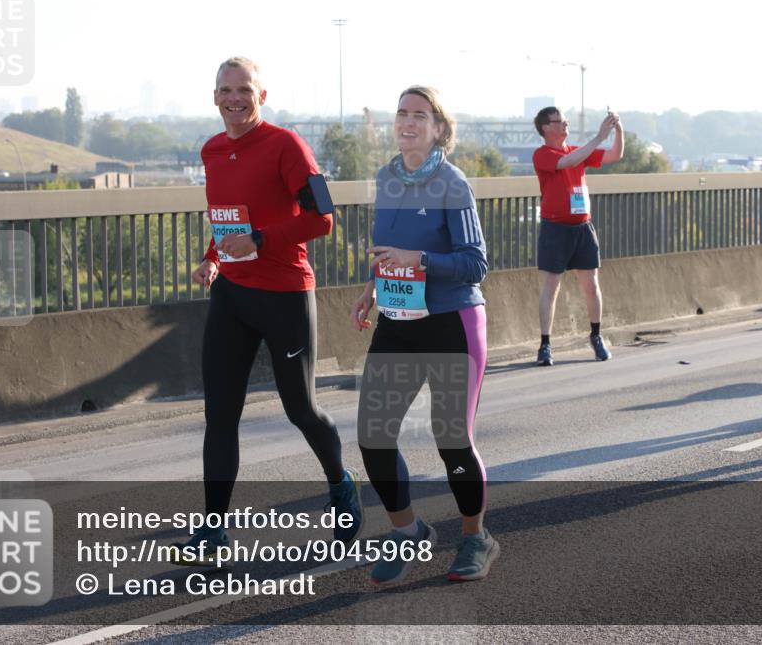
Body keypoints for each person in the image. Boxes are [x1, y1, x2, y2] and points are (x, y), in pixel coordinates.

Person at [179, 57, 363, 563]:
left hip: (285, 294)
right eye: (225, 90)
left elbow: (324, 218)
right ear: (213, 96)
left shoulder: (288, 146)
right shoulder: (212, 150)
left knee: (299, 408)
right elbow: (228, 219)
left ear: (262, 95)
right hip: (232, 296)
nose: (233, 98)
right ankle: (213, 532)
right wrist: (212, 258)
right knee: (220, 415)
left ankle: (341, 486)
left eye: (243, 90)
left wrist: (260, 239)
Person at [350, 86, 497, 584]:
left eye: (420, 115)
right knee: (373, 434)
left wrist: (422, 263)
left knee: (452, 438)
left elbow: (476, 262)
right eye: (402, 114)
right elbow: (390, 249)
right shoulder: (387, 177)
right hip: (398, 318)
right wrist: (372, 286)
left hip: (451, 320)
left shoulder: (453, 183)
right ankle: (407, 532)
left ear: (438, 128)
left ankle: (476, 537)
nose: (407, 122)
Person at [531, 107, 624, 365]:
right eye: (558, 121)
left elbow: (616, 154)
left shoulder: (577, 151)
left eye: (564, 120)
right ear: (545, 128)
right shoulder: (542, 154)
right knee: (551, 286)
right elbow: (567, 163)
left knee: (591, 286)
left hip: (582, 227)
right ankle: (545, 345)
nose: (564, 124)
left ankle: (596, 335)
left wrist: (617, 129)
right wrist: (598, 136)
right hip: (555, 228)